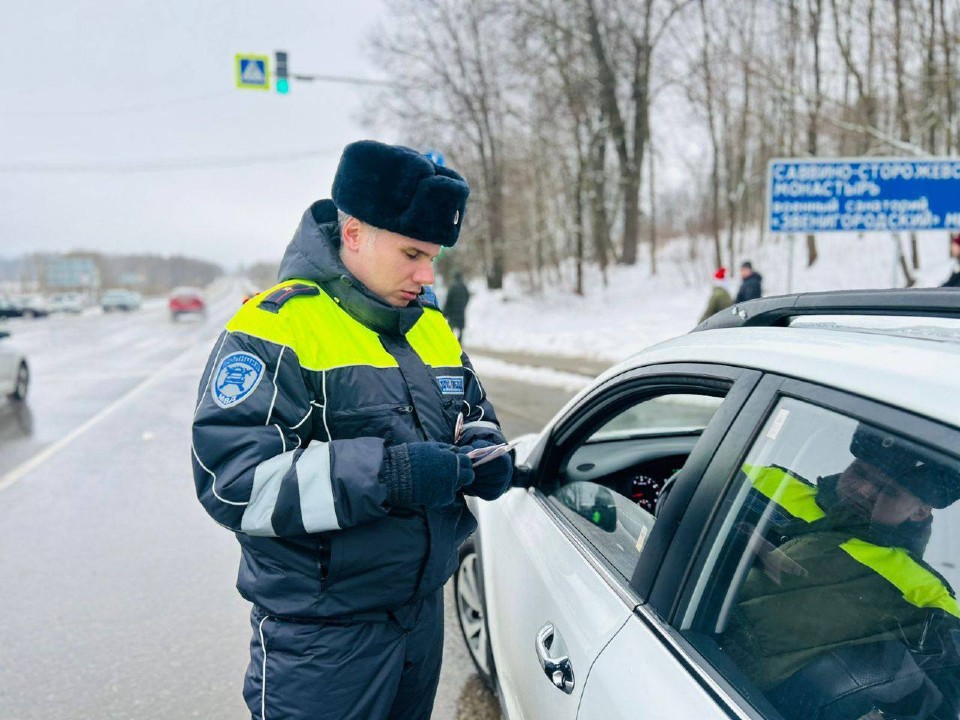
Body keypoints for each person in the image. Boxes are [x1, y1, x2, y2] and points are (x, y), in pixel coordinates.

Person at [191, 140, 514, 720]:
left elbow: (473, 408)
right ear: (356, 232)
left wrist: (484, 447)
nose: (426, 273)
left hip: (420, 616)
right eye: (413, 253)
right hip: (323, 639)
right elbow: (234, 483)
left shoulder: (428, 324)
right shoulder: (276, 327)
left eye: (434, 257)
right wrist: (389, 475)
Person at [723, 424, 960, 718]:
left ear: (920, 511)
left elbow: (944, 703)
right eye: (860, 473)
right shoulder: (768, 483)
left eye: (888, 491)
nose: (862, 491)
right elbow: (679, 493)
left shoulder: (926, 592)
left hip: (746, 702)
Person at [443, 271, 470, 342]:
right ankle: (459, 343)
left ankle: (451, 343)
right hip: (461, 312)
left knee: (451, 328)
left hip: (453, 312)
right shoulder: (464, 287)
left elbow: (448, 301)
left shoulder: (452, 287)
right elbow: (467, 297)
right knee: (460, 329)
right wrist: (463, 305)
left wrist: (444, 313)